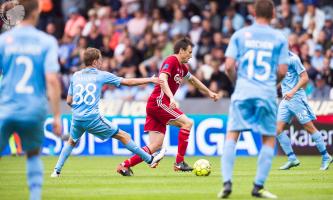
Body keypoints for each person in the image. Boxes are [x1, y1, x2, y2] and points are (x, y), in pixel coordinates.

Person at [51, 48, 165, 177]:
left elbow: (68, 100)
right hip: (92, 118)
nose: (102, 62)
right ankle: (150, 159)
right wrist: (149, 79)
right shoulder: (101, 75)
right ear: (94, 62)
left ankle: (56, 171)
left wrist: (80, 106)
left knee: (71, 142)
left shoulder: (76, 75)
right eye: (100, 60)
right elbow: (127, 82)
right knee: (124, 136)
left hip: (77, 117)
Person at [117, 37, 220, 176]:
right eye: (189, 52)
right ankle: (179, 162)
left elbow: (193, 80)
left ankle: (124, 165)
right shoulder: (171, 61)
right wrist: (171, 97)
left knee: (156, 146)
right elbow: (162, 79)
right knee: (187, 123)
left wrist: (209, 92)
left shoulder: (183, 67)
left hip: (155, 104)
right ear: (181, 50)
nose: (191, 55)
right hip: (159, 102)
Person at [217, 0, 289, 199]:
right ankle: (258, 186)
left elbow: (229, 66)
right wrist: (272, 84)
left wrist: (237, 82)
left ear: (253, 12)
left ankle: (226, 183)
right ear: (273, 14)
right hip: (266, 93)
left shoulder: (240, 35)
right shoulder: (279, 38)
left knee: (232, 135)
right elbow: (283, 70)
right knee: (268, 138)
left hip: (242, 91)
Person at [0, 1, 62, 200]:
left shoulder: (4, 40)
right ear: (36, 12)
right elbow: (52, 80)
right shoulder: (46, 41)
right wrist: (57, 116)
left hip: (6, 108)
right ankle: (34, 197)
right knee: (33, 154)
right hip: (34, 108)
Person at [277, 51, 332, 170]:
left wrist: (292, 91)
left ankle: (326, 156)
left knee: (309, 127)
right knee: (277, 129)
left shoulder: (293, 59)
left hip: (295, 97)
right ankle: (292, 159)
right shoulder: (278, 58)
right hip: (286, 99)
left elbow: (305, 78)